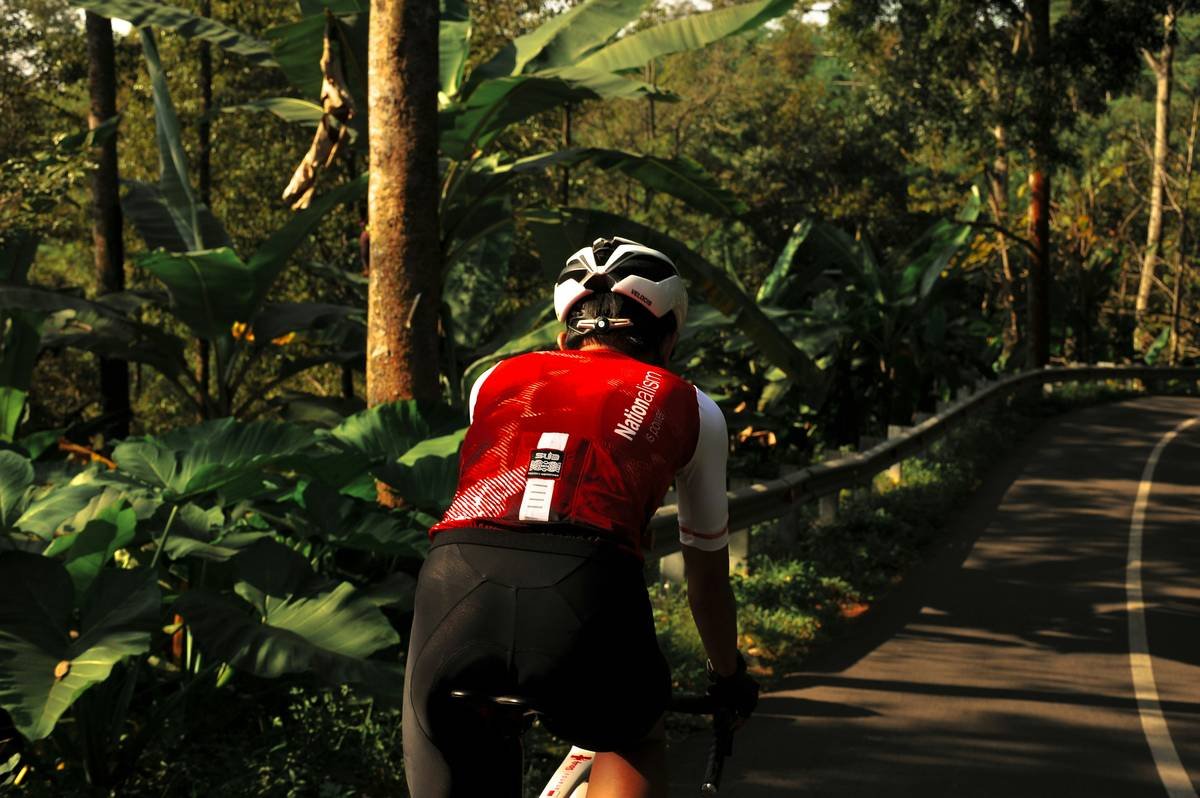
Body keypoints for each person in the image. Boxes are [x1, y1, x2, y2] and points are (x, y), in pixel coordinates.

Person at [402, 236, 759, 798]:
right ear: (666, 336)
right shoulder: (692, 406)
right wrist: (727, 678)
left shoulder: (492, 382)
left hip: (455, 584)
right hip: (588, 587)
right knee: (634, 737)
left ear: (565, 332)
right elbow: (706, 582)